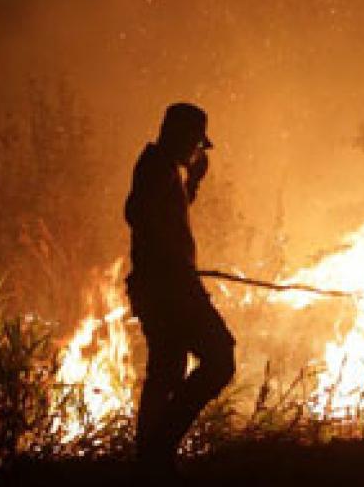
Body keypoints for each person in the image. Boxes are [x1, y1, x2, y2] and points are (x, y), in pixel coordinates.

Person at [124, 102, 236, 475]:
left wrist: (193, 184)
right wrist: (172, 266)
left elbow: (163, 214)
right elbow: (138, 212)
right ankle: (158, 449)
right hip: (170, 289)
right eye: (195, 143)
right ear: (181, 135)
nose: (196, 151)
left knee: (167, 370)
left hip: (165, 286)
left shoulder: (162, 168)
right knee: (219, 357)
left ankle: (150, 460)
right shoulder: (155, 167)